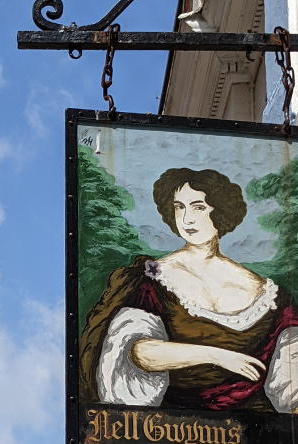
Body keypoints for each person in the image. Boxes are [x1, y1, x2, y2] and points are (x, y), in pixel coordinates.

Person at [79, 168, 298, 411]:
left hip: (255, 432)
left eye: (198, 207)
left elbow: (291, 373)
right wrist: (218, 356)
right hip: (171, 429)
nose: (187, 219)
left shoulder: (267, 294)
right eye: (179, 207)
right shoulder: (155, 278)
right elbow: (138, 351)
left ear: (221, 210)